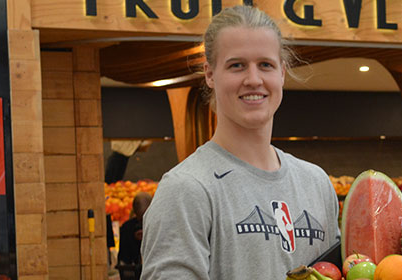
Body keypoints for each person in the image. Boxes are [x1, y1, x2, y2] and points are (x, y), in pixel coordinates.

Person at [141, 5, 339, 279]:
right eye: (237, 66)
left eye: (265, 65)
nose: (254, 79)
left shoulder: (316, 183)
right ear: (210, 74)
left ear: (281, 73)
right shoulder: (187, 189)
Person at [118, 192, 152, 280]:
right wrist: (133, 239)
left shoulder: (156, 226)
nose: (143, 223)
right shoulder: (127, 228)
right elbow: (124, 258)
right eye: (141, 219)